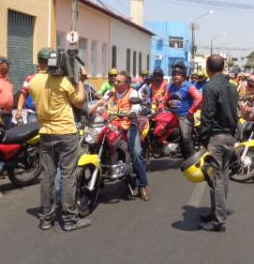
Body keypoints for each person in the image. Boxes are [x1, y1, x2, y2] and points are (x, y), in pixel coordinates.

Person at [27, 61, 90, 232]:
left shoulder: (33, 81)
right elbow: (79, 102)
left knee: (47, 176)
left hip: (45, 133)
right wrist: (82, 81)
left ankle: (46, 219)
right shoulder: (64, 82)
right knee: (68, 176)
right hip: (66, 133)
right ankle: (70, 220)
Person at [197, 54, 238, 232]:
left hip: (216, 138)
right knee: (222, 177)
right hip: (229, 136)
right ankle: (216, 212)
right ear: (222, 67)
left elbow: (207, 117)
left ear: (208, 69)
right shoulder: (231, 86)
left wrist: (202, 140)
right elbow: (235, 114)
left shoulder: (210, 87)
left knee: (216, 179)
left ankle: (219, 221)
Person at [96, 71, 149, 200]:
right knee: (94, 144)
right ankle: (98, 178)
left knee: (136, 152)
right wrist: (96, 109)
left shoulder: (133, 93)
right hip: (110, 125)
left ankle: (142, 185)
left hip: (128, 126)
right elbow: (101, 103)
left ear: (127, 84)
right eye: (115, 80)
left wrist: (131, 113)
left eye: (119, 81)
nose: (115, 83)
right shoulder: (110, 92)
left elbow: (135, 109)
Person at [161, 63, 202, 159]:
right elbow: (165, 99)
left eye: (178, 74)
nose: (176, 76)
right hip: (172, 115)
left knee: (186, 138)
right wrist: (162, 106)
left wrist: (191, 111)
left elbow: (199, 98)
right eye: (174, 74)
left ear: (183, 76)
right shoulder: (171, 86)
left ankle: (192, 159)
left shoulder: (188, 86)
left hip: (184, 117)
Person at [15, 48, 53, 124]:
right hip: (33, 114)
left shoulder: (53, 79)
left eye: (42, 63)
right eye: (39, 63)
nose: (39, 66)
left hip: (50, 115)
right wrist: (19, 110)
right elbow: (23, 94)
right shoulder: (29, 79)